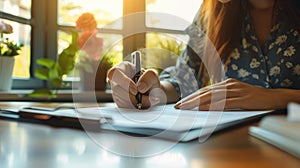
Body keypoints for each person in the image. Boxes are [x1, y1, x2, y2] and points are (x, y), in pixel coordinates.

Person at [108, 0, 300, 111]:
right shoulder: (213, 12)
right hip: (231, 149)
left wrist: (276, 98)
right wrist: (150, 91)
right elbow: (185, 79)